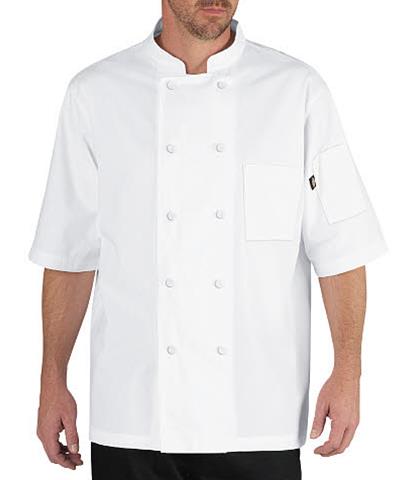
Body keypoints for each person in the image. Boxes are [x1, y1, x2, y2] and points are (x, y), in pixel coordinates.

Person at [28, 1, 388, 479]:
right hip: (132, 417)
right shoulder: (95, 94)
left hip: (260, 417)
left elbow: (341, 247)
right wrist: (52, 379)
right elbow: (69, 253)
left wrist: (348, 373)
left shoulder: (297, 91)